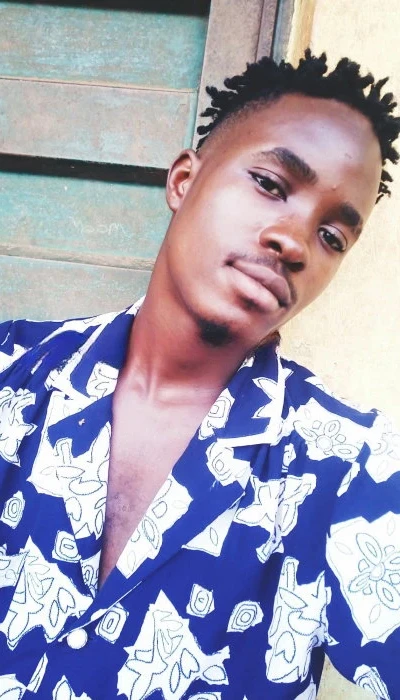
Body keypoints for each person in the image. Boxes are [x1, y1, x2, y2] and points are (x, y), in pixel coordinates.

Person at [0, 50, 399, 700]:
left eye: (332, 236)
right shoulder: (13, 372)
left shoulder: (349, 468)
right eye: (270, 184)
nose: (295, 242)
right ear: (185, 180)